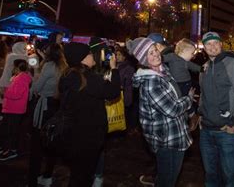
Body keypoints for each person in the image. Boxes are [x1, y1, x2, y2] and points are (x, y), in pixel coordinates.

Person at [128, 37, 195, 187]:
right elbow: (173, 109)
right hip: (166, 138)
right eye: (150, 53)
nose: (156, 54)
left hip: (172, 133)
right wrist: (189, 99)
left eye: (155, 50)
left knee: (168, 179)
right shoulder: (152, 82)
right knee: (167, 181)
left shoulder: (163, 71)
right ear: (144, 60)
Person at [59, 42, 121, 187]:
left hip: (72, 133)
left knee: (77, 173)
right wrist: (114, 69)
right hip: (89, 135)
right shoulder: (88, 78)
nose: (92, 55)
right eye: (88, 53)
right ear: (81, 58)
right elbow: (113, 92)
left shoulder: (68, 75)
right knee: (84, 175)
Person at [198, 31, 234, 187]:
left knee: (230, 178)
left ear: (221, 44)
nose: (212, 46)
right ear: (204, 47)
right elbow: (203, 94)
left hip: (227, 132)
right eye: (208, 44)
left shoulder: (232, 64)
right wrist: (200, 114)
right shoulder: (204, 67)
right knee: (210, 176)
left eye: (215, 43)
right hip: (206, 132)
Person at [28, 43, 68, 187]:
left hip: (44, 106)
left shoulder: (49, 66)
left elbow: (37, 88)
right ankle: (47, 176)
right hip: (56, 107)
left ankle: (32, 179)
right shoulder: (64, 67)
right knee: (51, 142)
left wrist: (35, 73)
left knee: (37, 145)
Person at [0, 59, 32, 161]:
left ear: (17, 67)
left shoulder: (21, 78)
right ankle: (0, 147)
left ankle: (12, 150)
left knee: (12, 130)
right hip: (11, 108)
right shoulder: (18, 77)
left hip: (15, 109)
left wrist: (3, 92)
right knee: (4, 129)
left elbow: (16, 94)